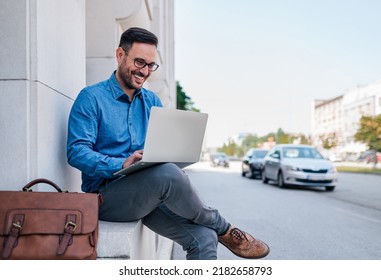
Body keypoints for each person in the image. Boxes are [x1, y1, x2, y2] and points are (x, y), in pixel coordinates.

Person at [67, 27, 270, 260]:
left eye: (150, 65)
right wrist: (122, 163)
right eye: (139, 62)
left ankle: (216, 232)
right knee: (168, 175)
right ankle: (224, 228)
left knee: (204, 238)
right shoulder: (91, 98)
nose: (144, 71)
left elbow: (158, 151)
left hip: (149, 192)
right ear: (120, 55)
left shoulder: (152, 100)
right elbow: (76, 152)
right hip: (105, 197)